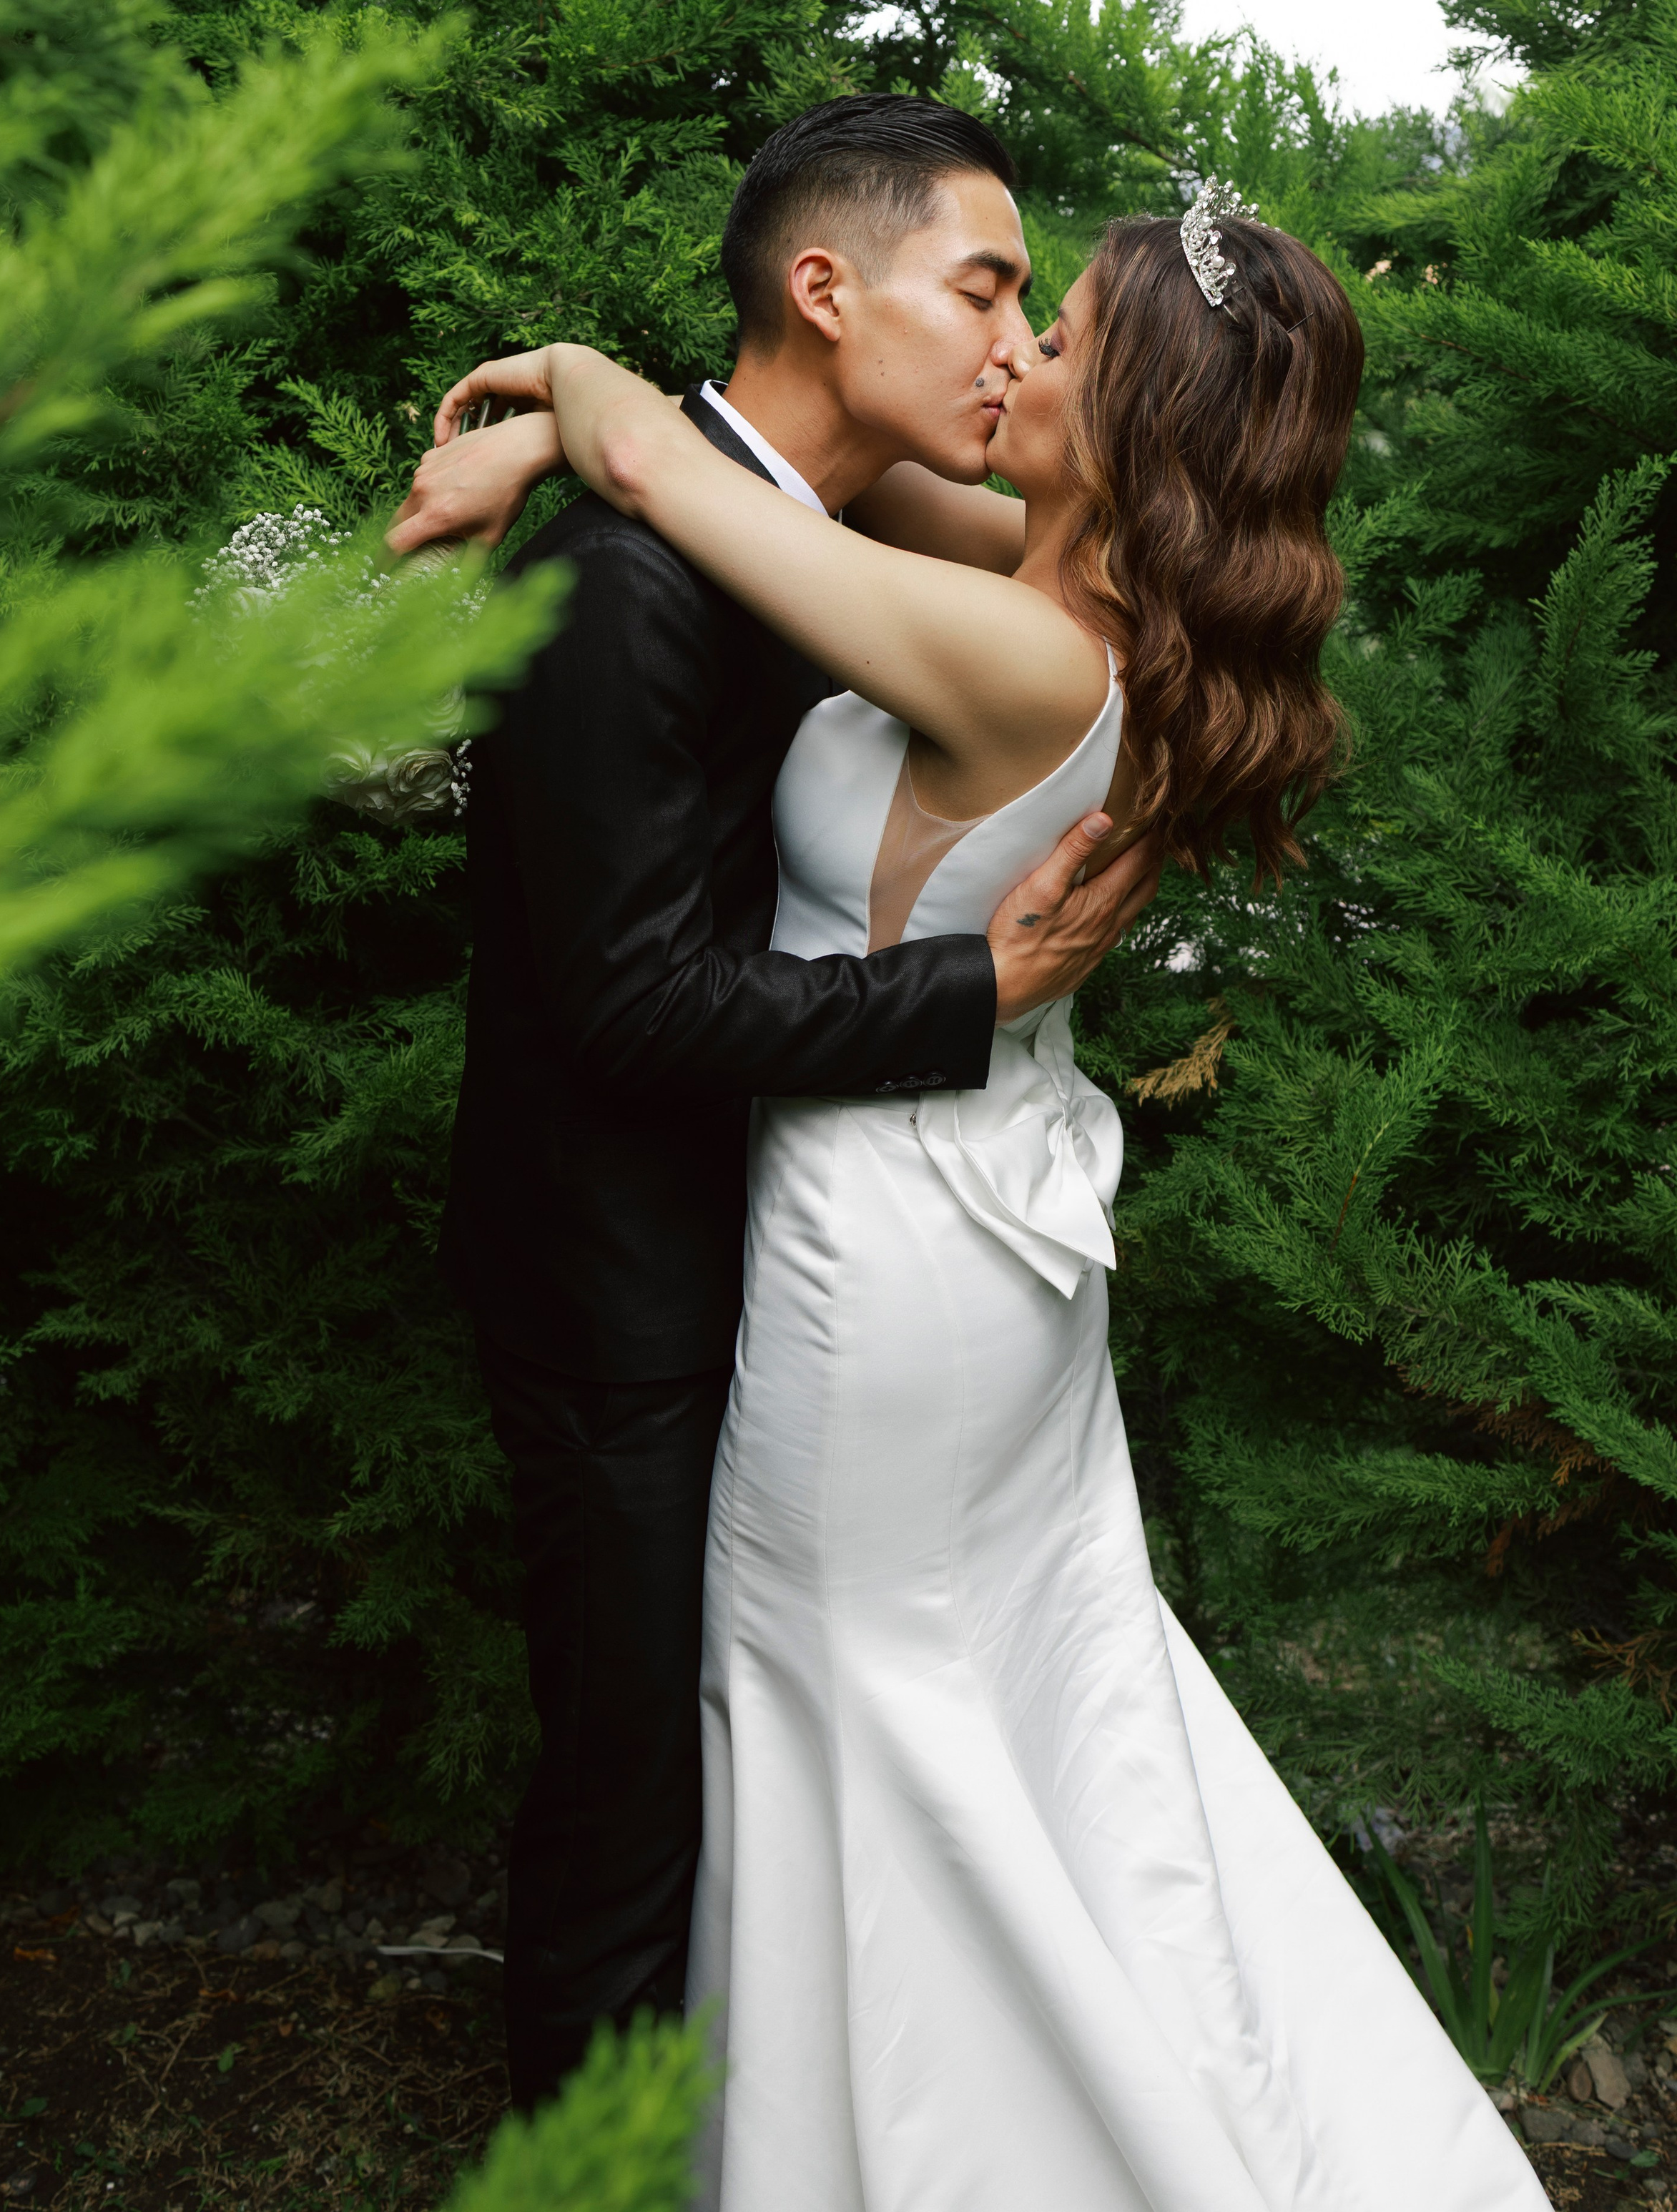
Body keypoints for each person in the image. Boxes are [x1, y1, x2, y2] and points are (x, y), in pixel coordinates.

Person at [413, 180, 1550, 2206]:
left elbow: (686, 472)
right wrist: (581, 458)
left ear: (1123, 435)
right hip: (991, 1211)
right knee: (1000, 1693)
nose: (1014, 355)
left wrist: (567, 385)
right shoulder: (1068, 593)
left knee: (849, 1701)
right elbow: (801, 502)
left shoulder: (1023, 652)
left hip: (893, 1243)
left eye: (1063, 344)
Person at [388, 97, 1164, 2112]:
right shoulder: (629, 592)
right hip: (623, 1297)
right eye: (987, 286)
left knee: (770, 1759)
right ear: (825, 289)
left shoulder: (843, 538)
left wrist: (572, 398)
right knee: (634, 1802)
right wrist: (965, 991)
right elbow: (627, 1000)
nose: (1015, 341)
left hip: (808, 1259)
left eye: (1033, 307)